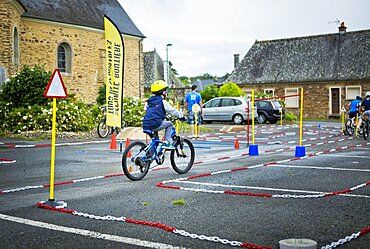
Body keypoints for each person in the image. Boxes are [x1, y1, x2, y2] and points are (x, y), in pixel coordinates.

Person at [143, 80, 184, 150]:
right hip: (155, 124)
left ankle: (148, 158)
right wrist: (181, 116)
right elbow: (172, 111)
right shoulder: (162, 101)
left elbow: (148, 111)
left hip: (146, 124)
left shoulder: (149, 101)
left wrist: (162, 115)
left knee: (155, 141)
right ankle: (166, 143)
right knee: (170, 124)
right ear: (163, 92)